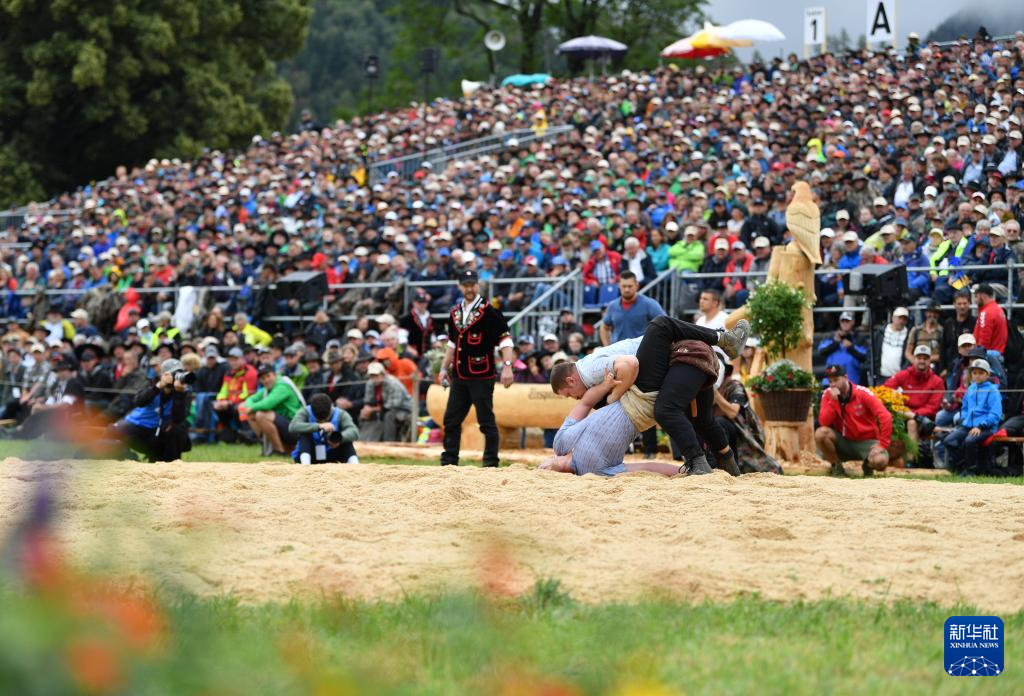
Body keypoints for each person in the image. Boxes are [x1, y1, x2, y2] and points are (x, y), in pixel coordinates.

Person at [549, 316, 750, 475]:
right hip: (685, 358)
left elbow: (630, 365)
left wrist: (613, 395)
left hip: (663, 367)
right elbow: (587, 402)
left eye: (569, 395)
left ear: (570, 381)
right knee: (701, 420)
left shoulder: (590, 370)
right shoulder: (592, 464)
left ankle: (724, 339)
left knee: (660, 325)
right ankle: (725, 463)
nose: (573, 398)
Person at [437, 270, 515, 467]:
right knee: (451, 420)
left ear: (478, 285)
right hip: (460, 376)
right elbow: (452, 344)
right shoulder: (455, 313)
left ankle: (490, 462)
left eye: (472, 284)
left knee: (486, 420)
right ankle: (449, 461)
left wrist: (507, 366)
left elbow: (505, 341)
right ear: (460, 287)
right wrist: (443, 369)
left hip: (482, 375)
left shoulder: (490, 312)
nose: (469, 288)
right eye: (466, 285)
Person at [109, 358, 193, 462]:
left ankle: (170, 464)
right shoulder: (152, 382)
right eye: (174, 373)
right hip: (141, 427)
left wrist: (180, 394)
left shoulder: (184, 390)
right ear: (163, 374)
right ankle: (130, 458)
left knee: (177, 429)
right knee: (113, 431)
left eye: (180, 372)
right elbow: (139, 401)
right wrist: (158, 386)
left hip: (162, 433)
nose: (177, 376)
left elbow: (178, 419)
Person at [815, 365, 892, 477]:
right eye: (830, 381)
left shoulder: (862, 393)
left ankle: (868, 465)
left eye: (836, 380)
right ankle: (836, 467)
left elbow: (885, 416)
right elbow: (824, 423)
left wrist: (882, 444)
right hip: (843, 442)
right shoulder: (828, 394)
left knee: (880, 461)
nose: (833, 384)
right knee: (820, 434)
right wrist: (833, 402)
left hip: (866, 441)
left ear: (846, 378)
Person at [883, 345, 944, 460]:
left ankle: (911, 460)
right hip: (902, 413)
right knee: (886, 417)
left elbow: (933, 407)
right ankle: (886, 456)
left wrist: (914, 415)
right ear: (913, 359)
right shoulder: (903, 374)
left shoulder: (937, 381)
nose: (922, 361)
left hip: (924, 419)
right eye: (919, 358)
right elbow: (885, 390)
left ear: (929, 361)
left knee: (912, 423)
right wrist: (898, 404)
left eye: (925, 358)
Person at [943, 358, 1002, 474]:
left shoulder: (993, 390)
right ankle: (962, 466)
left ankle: (971, 471)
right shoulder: (970, 388)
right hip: (968, 425)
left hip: (986, 427)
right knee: (949, 441)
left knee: (969, 441)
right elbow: (964, 407)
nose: (977, 376)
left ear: (987, 374)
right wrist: (965, 419)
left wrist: (980, 426)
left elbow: (995, 414)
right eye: (974, 373)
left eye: (981, 373)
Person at [244, 364, 304, 455]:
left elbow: (267, 404)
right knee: (251, 414)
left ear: (275, 375)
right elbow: (250, 399)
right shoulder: (266, 389)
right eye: (263, 378)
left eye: (268, 376)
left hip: (296, 428)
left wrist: (251, 408)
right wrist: (250, 408)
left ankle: (279, 450)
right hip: (285, 426)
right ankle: (268, 445)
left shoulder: (282, 386)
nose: (266, 380)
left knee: (261, 415)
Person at [289, 393, 360, 465]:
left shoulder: (340, 414)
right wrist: (318, 426)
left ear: (331, 406)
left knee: (347, 442)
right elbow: (293, 426)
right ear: (311, 409)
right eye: (319, 419)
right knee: (304, 434)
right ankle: (305, 464)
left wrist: (339, 438)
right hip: (310, 451)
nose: (323, 421)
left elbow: (354, 432)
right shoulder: (305, 411)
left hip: (332, 451)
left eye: (325, 418)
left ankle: (354, 464)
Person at [600, 271, 665, 346]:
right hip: (618, 350)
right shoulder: (612, 306)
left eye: (630, 286)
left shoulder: (650, 304)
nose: (627, 289)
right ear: (619, 286)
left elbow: (664, 324)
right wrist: (607, 347)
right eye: (624, 286)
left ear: (637, 285)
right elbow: (604, 327)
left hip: (640, 350)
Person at [359, 361, 413, 441]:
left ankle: (388, 441)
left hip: (404, 408)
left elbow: (395, 403)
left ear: (382, 374)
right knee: (363, 414)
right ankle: (365, 439)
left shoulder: (393, 383)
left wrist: (373, 409)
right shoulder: (370, 383)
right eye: (372, 376)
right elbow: (368, 400)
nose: (374, 378)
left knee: (388, 415)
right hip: (383, 407)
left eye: (376, 375)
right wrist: (366, 409)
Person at [816, 311, 869, 385]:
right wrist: (835, 343)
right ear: (839, 322)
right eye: (843, 321)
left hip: (851, 380)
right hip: (831, 381)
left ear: (853, 322)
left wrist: (851, 347)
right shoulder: (831, 337)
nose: (845, 323)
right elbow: (821, 351)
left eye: (847, 321)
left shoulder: (859, 338)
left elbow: (865, 355)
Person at [874, 307, 910, 384]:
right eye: (899, 318)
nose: (901, 321)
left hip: (900, 378)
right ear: (893, 318)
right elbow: (873, 351)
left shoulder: (909, 335)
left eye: (904, 319)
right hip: (881, 376)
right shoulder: (880, 332)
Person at [973, 283, 1007, 354]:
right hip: (997, 353)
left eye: (976, 296)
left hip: (988, 355)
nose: (975, 300)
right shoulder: (999, 310)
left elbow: (984, 340)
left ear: (982, 295)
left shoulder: (986, 313)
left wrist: (978, 354)